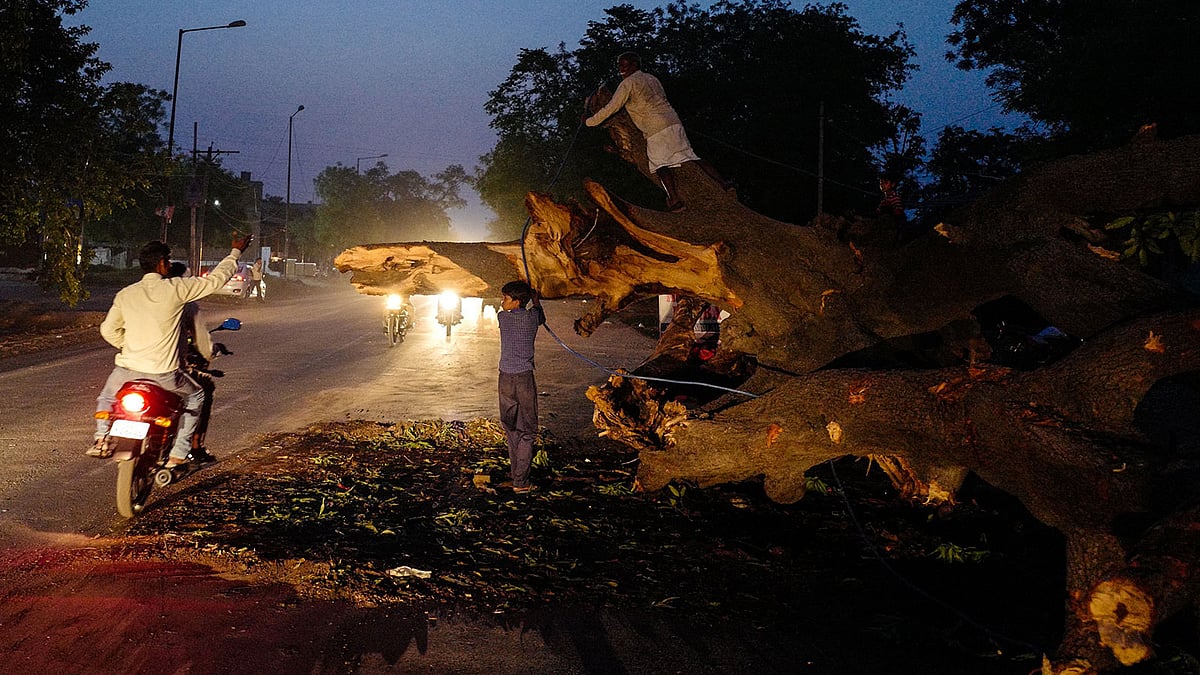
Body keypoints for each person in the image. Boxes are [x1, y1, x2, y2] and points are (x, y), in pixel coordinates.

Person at [88, 234, 252, 467]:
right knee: (196, 396)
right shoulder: (176, 289)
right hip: (164, 374)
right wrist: (235, 253)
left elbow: (108, 330)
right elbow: (215, 281)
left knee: (106, 397)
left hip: (126, 369)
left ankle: (101, 438)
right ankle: (178, 453)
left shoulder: (126, 294)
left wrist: (130, 346)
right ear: (163, 264)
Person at [585, 51, 731, 212]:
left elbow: (612, 107)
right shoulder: (652, 78)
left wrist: (589, 122)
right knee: (691, 156)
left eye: (625, 64)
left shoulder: (628, 84)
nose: (621, 68)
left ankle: (675, 200)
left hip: (655, 128)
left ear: (635, 64)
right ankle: (724, 184)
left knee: (659, 165)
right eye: (619, 65)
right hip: (673, 122)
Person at [497, 280, 545, 494]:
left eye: (506, 298)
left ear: (516, 302)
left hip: (505, 379)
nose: (502, 302)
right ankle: (521, 482)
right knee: (527, 430)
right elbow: (540, 316)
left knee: (511, 429)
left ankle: (517, 474)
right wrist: (535, 300)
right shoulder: (531, 318)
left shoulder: (502, 318)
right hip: (524, 379)